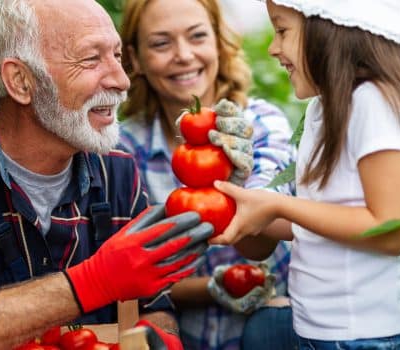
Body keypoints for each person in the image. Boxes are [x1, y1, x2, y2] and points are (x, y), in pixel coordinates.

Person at [0, 0, 215, 349]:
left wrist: (162, 338)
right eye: (91, 59)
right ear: (20, 81)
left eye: (118, 56)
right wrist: (94, 281)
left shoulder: (117, 171)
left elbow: (154, 304)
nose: (121, 81)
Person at [211, 0, 400, 348]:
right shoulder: (326, 107)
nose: (272, 48)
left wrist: (281, 206)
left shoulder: (375, 104)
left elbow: (392, 229)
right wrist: (250, 208)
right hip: (328, 330)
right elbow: (325, 220)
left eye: (282, 30)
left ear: (333, 27)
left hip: (369, 336)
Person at [117, 0, 297, 349]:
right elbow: (126, 279)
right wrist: (213, 288)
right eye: (160, 43)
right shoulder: (125, 149)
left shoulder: (261, 126)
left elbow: (260, 244)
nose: (183, 55)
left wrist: (237, 179)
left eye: (197, 36)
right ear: (135, 59)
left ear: (219, 42)